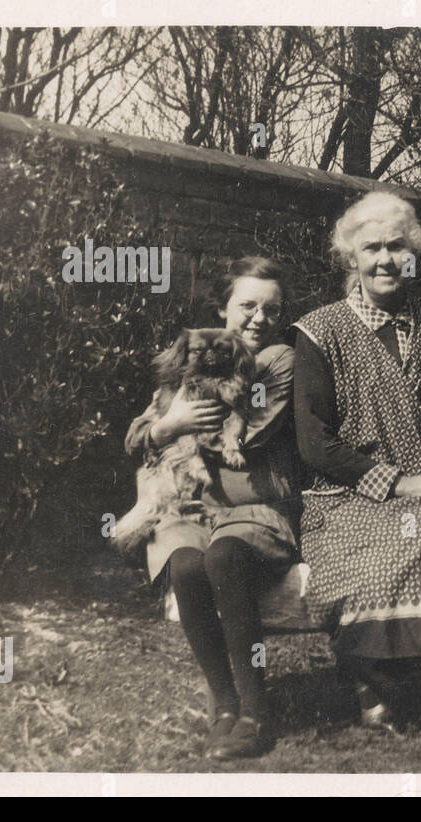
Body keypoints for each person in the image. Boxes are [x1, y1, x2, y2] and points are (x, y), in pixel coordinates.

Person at [292, 191, 421, 766]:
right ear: (350, 259)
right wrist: (400, 484)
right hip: (348, 497)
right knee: (400, 544)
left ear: (414, 255)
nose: (386, 259)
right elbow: (314, 442)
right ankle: (378, 676)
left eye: (398, 247)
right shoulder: (320, 331)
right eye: (372, 248)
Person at [124, 256, 299, 760]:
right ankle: (223, 699)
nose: (258, 318)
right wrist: (165, 425)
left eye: (272, 309)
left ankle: (254, 709)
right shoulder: (192, 362)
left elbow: (253, 426)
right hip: (192, 508)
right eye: (247, 305)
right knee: (184, 563)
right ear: (222, 308)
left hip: (258, 503)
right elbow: (138, 436)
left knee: (222, 556)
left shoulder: (278, 361)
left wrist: (184, 418)